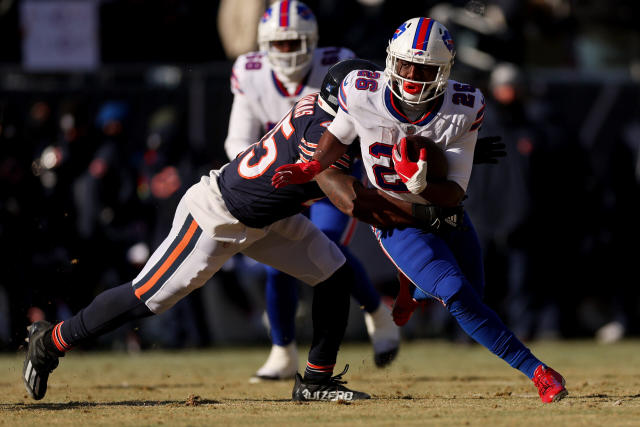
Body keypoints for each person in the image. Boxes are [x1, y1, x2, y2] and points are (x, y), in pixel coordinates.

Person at [23, 59, 449, 403]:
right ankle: (53, 340)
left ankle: (316, 380)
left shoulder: (325, 113)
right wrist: (423, 214)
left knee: (336, 274)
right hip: (218, 215)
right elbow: (351, 200)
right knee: (147, 296)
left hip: (270, 217)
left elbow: (386, 142)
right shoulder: (321, 133)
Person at [272, 17, 569, 403]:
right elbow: (337, 137)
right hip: (398, 222)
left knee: (472, 297)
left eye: (425, 68)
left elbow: (454, 193)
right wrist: (310, 167)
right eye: (407, 64)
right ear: (390, 61)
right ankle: (540, 372)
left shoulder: (464, 106)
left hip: (443, 211)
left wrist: (422, 184)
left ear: (444, 71)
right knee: (458, 294)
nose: (413, 75)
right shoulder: (363, 92)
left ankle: (413, 286)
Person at [224, 0, 400, 381]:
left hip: (331, 176)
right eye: (280, 44)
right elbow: (237, 140)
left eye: (295, 43)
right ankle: (282, 351)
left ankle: (376, 313)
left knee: (326, 244)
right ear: (265, 44)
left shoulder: (338, 64)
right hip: (279, 178)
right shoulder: (250, 72)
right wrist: (262, 174)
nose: (287, 52)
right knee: (278, 264)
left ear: (313, 42)